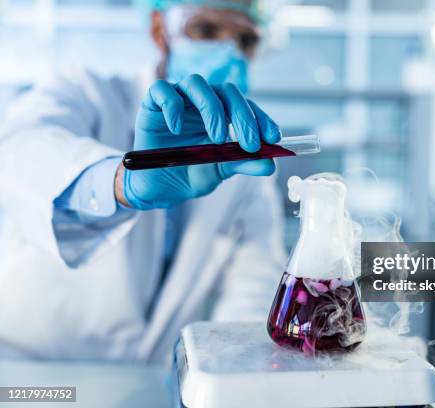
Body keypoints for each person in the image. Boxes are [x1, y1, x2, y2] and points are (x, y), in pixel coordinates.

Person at [0, 0, 286, 364]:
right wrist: (122, 184)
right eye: (206, 30)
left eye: (245, 39)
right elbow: (17, 152)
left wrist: (239, 374)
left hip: (150, 385)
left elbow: (253, 291)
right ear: (158, 29)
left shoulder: (242, 169)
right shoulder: (86, 93)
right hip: (32, 377)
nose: (229, 52)